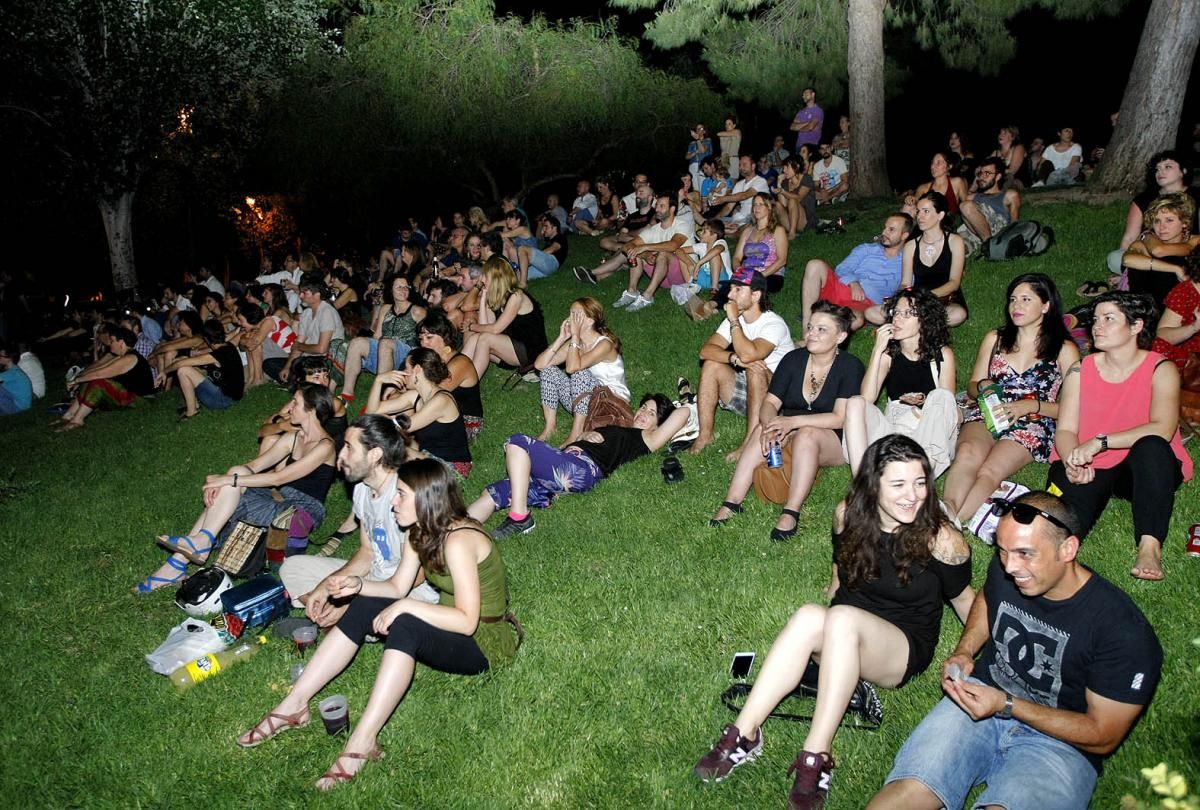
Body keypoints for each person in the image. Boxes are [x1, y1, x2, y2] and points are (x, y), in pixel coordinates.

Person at [695, 435, 974, 810]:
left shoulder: (943, 541)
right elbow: (841, 565)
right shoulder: (847, 515)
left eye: (920, 482)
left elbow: (965, 601)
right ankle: (743, 733)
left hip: (899, 648)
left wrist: (970, 653)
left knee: (839, 618)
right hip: (844, 628)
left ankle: (816, 753)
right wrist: (832, 591)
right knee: (811, 614)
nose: (913, 495)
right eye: (899, 484)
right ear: (872, 487)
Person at [236, 458, 521, 790]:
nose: (393, 502)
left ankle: (362, 743)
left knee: (406, 625)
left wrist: (404, 608)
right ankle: (294, 705)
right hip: (451, 624)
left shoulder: (459, 541)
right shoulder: (419, 530)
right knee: (367, 604)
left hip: (484, 641)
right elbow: (398, 587)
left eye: (400, 494)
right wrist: (358, 586)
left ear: (426, 499)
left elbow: (467, 621)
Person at [868, 491, 1162, 810]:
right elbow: (988, 598)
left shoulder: (1123, 632)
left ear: (1068, 549)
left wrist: (1007, 705)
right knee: (911, 788)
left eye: (1024, 553)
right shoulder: (1008, 570)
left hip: (1062, 744)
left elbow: (1103, 734)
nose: (1010, 566)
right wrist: (966, 650)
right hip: (983, 694)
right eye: (1003, 551)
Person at [136, 384, 337, 592]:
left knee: (233, 482)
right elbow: (254, 466)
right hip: (279, 499)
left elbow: (279, 477)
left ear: (311, 410)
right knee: (238, 471)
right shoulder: (294, 437)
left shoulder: (325, 446)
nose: (289, 408)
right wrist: (226, 478)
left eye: (296, 403)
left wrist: (226, 481)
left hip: (301, 510)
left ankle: (179, 562)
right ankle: (197, 545)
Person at [1048, 291, 1192, 581]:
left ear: (1136, 326)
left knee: (1152, 446)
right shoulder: (1080, 369)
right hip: (1093, 466)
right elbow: (1065, 430)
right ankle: (1054, 560)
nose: (1096, 326)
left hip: (1141, 469)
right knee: (1061, 521)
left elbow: (1162, 428)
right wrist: (1072, 458)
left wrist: (1100, 442)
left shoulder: (1160, 368)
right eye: (1096, 319)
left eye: (1109, 319)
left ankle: (1149, 546)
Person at [709, 301, 864, 541]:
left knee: (808, 434)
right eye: (810, 327)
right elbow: (770, 404)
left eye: (821, 330)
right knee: (764, 427)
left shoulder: (850, 366)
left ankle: (791, 510)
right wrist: (772, 426)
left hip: (832, 438)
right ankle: (732, 502)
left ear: (841, 337)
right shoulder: (793, 360)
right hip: (791, 428)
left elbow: (839, 418)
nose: (811, 333)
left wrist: (792, 423)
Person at [943, 273, 1078, 527]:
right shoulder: (995, 338)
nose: (1017, 306)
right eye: (1013, 299)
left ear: (1046, 305)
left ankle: (953, 524)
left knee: (990, 470)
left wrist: (1030, 406)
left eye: (1026, 299)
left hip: (1033, 421)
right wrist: (982, 386)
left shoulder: (1063, 350)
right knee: (967, 453)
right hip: (989, 411)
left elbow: (1075, 408)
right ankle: (947, 509)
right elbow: (973, 386)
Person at [279, 415, 439, 626]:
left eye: (348, 448)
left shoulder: (405, 494)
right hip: (374, 575)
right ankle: (329, 613)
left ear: (374, 455)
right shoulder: (362, 489)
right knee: (292, 567)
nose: (341, 454)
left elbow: (420, 574)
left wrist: (350, 600)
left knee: (370, 610)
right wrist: (326, 586)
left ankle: (344, 616)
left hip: (411, 589)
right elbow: (367, 552)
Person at [467, 393, 691, 539]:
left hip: (583, 470)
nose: (643, 413)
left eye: (652, 414)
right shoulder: (620, 429)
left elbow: (684, 413)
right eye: (643, 407)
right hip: (557, 474)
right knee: (491, 493)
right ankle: (453, 533)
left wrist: (679, 404)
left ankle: (520, 518)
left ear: (659, 424)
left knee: (518, 442)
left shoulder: (647, 439)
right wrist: (584, 434)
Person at [844, 288, 959, 478]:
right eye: (896, 312)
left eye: (908, 314)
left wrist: (923, 401)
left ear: (924, 319)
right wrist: (878, 350)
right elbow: (867, 398)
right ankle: (861, 482)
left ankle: (920, 472)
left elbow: (947, 408)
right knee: (855, 402)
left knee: (941, 396)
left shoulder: (942, 355)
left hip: (928, 432)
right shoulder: (889, 354)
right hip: (895, 428)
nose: (898, 319)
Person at [691, 269, 793, 461]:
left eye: (738, 290)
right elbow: (705, 351)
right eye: (731, 289)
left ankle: (749, 443)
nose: (729, 295)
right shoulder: (735, 320)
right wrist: (734, 359)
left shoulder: (773, 324)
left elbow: (749, 355)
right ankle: (705, 435)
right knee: (712, 364)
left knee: (755, 368)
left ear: (755, 295)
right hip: (748, 394)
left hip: (776, 401)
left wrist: (734, 321)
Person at [534, 297, 627, 446]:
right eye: (570, 313)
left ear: (590, 321)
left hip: (609, 404)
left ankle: (576, 432)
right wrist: (561, 338)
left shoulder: (604, 344)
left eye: (575, 315)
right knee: (548, 371)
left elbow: (572, 368)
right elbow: (540, 365)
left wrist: (575, 336)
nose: (570, 318)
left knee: (580, 372)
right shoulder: (575, 343)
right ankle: (550, 427)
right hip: (585, 402)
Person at [367, 348, 472, 478]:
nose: (403, 373)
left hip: (452, 467)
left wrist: (375, 429)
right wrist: (379, 380)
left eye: (406, 369)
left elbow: (404, 426)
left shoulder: (442, 400)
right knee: (386, 441)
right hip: (428, 455)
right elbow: (372, 411)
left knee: (394, 450)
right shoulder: (415, 396)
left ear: (417, 369)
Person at [805, 213, 913, 332]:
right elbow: (842, 268)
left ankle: (820, 333)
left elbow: (905, 289)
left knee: (855, 319)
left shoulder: (907, 261)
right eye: (885, 227)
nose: (884, 232)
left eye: (891, 230)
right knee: (815, 265)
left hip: (865, 303)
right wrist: (853, 282)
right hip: (844, 288)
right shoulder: (867, 249)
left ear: (904, 235)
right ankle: (806, 326)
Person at [1106, 150, 1199, 276]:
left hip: (1187, 251)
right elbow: (1130, 237)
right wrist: (1125, 269)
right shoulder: (1144, 199)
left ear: (1184, 171)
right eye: (1157, 169)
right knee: (1115, 258)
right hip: (1149, 250)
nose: (1160, 172)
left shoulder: (1197, 196)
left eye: (1168, 167)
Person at [335, 273, 425, 401]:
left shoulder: (418, 311)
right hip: (384, 352)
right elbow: (377, 335)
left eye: (406, 287)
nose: (403, 290)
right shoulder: (385, 308)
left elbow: (425, 340)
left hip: (405, 355)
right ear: (390, 290)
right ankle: (347, 395)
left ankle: (379, 397)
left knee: (385, 343)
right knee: (357, 342)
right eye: (399, 287)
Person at [606, 194, 697, 312]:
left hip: (684, 275)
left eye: (662, 206)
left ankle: (647, 296)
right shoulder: (654, 230)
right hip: (663, 277)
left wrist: (644, 247)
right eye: (657, 206)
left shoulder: (682, 225)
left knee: (663, 252)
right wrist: (644, 254)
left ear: (672, 209)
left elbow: (673, 245)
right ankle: (632, 292)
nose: (657, 209)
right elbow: (626, 246)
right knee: (635, 252)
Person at [54, 326, 155, 432]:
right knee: (89, 380)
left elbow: (99, 374)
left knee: (99, 383)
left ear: (121, 342)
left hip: (142, 400)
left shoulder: (130, 358)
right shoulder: (122, 357)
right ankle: (69, 415)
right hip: (130, 395)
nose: (109, 344)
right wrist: (80, 378)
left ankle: (78, 420)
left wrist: (76, 381)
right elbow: (99, 368)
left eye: (112, 341)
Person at [462, 257, 547, 379]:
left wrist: (471, 326)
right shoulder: (495, 296)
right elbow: (484, 325)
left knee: (485, 339)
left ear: (496, 278)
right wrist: (483, 297)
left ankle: (470, 384)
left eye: (485, 275)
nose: (481, 279)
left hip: (530, 353)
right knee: (476, 337)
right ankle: (457, 370)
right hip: (510, 350)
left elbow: (495, 329)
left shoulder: (517, 296)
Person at [898, 191, 968, 327]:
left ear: (940, 215)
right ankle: (921, 321)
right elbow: (905, 283)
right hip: (918, 299)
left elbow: (954, 282)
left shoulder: (955, 241)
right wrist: (905, 298)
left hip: (947, 298)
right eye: (918, 211)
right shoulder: (911, 245)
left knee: (958, 314)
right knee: (873, 312)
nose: (920, 216)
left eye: (926, 211)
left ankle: (915, 322)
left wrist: (927, 296)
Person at [1120, 192, 1200, 310]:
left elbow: (1159, 251)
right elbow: (1127, 260)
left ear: (1184, 223)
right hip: (1145, 300)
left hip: (1184, 304)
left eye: (1169, 220)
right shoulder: (1145, 243)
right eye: (1157, 221)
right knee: (1141, 267)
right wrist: (1174, 269)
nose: (1162, 227)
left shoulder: (1195, 240)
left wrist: (1146, 236)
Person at [415, 311, 484, 441]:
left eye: (429, 337)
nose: (424, 343)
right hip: (440, 415)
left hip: (466, 423)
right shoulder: (431, 361)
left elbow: (432, 394)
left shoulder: (461, 363)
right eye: (421, 339)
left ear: (445, 337)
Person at [161, 319, 244, 419]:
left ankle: (191, 412)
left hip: (222, 400)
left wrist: (164, 372)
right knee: (188, 364)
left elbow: (180, 364)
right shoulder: (229, 346)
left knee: (183, 370)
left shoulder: (217, 355)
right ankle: (194, 404)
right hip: (233, 396)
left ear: (207, 339)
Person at [281, 277, 345, 384]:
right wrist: (287, 367)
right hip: (308, 357)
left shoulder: (327, 312)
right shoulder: (306, 313)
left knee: (297, 366)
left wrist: (299, 347)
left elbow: (321, 349)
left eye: (304, 293)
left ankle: (299, 381)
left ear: (317, 295)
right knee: (271, 363)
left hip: (325, 360)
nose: (300, 296)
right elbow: (299, 342)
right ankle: (294, 378)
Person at [1150, 245, 1200, 368]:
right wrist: (1194, 327)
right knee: (1156, 348)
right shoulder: (1187, 291)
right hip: (1191, 360)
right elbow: (1162, 335)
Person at [958, 157, 1021, 253]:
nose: (982, 177)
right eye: (980, 174)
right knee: (953, 247)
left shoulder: (1009, 195)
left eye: (987, 173)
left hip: (997, 229)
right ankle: (983, 244)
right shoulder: (971, 197)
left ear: (998, 177)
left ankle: (990, 244)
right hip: (974, 232)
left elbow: (1014, 223)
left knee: (965, 206)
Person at [732, 193, 790, 291]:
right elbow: (736, 257)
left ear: (769, 208)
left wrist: (760, 276)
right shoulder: (747, 231)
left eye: (760, 204)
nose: (756, 207)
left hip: (770, 274)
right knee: (730, 288)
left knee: (752, 288)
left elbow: (782, 260)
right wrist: (740, 271)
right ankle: (713, 304)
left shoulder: (778, 230)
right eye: (755, 204)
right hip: (748, 272)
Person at [717, 155, 772, 235]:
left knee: (745, 228)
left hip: (754, 218)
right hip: (740, 219)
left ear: (753, 166)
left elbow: (745, 195)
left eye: (744, 164)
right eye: (740, 165)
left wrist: (724, 198)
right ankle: (729, 230)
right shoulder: (739, 184)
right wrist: (715, 219)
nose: (741, 167)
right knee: (718, 222)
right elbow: (729, 207)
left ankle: (732, 231)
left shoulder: (760, 181)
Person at [909, 153, 968, 217]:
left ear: (949, 166)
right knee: (909, 207)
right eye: (932, 163)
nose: (932, 166)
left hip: (948, 223)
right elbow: (914, 205)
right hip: (928, 221)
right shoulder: (923, 188)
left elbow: (965, 205)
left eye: (938, 163)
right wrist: (910, 199)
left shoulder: (957, 182)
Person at [774, 154, 816, 237]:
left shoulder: (806, 179)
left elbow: (799, 197)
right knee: (778, 205)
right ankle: (789, 231)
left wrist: (783, 191)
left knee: (793, 200)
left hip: (806, 220)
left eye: (787, 167)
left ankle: (792, 233)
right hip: (791, 219)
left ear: (797, 166)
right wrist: (779, 183)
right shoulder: (786, 182)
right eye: (783, 168)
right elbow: (784, 204)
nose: (784, 170)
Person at [0, 339, 33, 415]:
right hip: (18, 404)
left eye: (0, 356)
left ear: (9, 358)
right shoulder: (14, 369)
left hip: (18, 408)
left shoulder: (13, 373)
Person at [991, 125, 1029, 189]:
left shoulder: (1019, 148)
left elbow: (1012, 171)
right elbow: (985, 166)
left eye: (1004, 133)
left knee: (1009, 177)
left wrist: (993, 171)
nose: (1000, 135)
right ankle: (970, 193)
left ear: (1012, 137)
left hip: (1018, 182)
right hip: (1001, 180)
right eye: (1000, 133)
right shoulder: (996, 152)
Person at [791, 87, 823, 152]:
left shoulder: (818, 110)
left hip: (811, 145)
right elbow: (792, 127)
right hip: (798, 146)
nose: (803, 96)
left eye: (806, 93)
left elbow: (810, 127)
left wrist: (799, 127)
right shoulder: (800, 112)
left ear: (813, 94)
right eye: (803, 94)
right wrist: (808, 123)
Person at [686, 123, 714, 191]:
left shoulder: (707, 140)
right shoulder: (692, 143)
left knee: (704, 188)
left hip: (703, 166)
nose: (699, 130)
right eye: (697, 129)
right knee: (695, 189)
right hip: (693, 166)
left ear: (704, 131)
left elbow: (702, 150)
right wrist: (695, 152)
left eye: (701, 128)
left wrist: (698, 139)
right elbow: (687, 156)